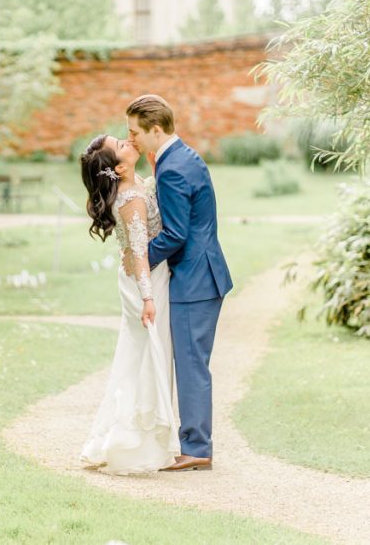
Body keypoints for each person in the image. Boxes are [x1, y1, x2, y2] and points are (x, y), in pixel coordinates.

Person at [126, 94, 233, 472]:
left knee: (190, 364)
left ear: (156, 130)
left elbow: (174, 234)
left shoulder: (171, 169)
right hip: (204, 274)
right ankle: (195, 443)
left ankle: (197, 448)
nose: (132, 139)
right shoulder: (184, 155)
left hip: (194, 279)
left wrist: (139, 262)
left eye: (135, 132)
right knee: (192, 362)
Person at [78, 134, 179, 474]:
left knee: (138, 355)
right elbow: (139, 251)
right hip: (144, 280)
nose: (129, 141)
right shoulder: (131, 198)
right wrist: (148, 298)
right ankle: (138, 439)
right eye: (121, 143)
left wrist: (152, 170)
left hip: (139, 277)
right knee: (149, 353)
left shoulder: (137, 187)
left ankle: (135, 432)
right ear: (118, 167)